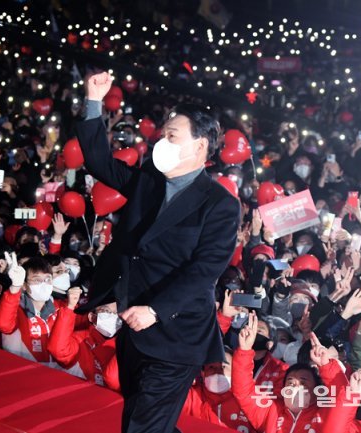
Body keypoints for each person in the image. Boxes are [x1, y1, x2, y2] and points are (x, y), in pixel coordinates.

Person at [76, 71, 240, 433]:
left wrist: (155, 309)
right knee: (145, 419)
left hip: (176, 333)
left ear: (199, 146)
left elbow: (203, 271)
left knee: (142, 427)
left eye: (171, 135)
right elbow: (98, 162)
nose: (160, 141)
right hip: (132, 322)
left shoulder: (219, 205)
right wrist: (93, 102)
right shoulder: (149, 179)